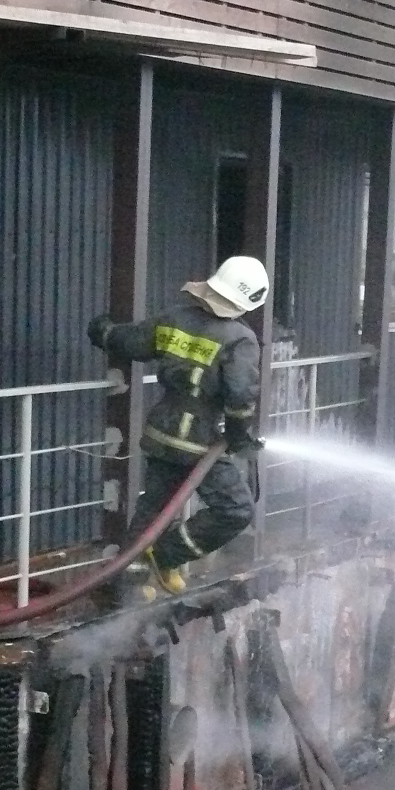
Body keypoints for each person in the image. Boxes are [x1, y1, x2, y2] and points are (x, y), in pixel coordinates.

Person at [89, 255, 268, 598]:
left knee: (153, 508)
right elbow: (241, 395)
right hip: (200, 442)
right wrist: (237, 435)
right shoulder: (240, 339)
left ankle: (127, 586)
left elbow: (133, 342)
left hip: (163, 433)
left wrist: (104, 331)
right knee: (235, 509)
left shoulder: (175, 318)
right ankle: (165, 556)